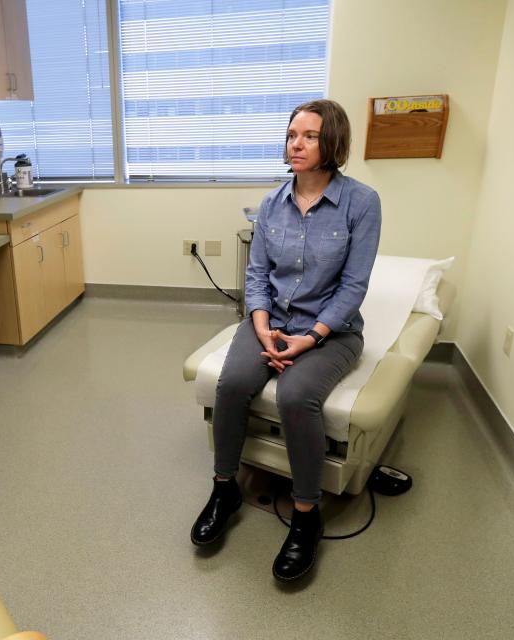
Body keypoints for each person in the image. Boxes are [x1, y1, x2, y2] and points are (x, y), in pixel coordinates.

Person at [190, 99, 381, 582]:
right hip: (270, 322)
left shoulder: (362, 202)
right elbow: (256, 275)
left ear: (332, 142)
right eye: (292, 133)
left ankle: (305, 513)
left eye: (310, 135)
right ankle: (224, 487)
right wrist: (259, 325)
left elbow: (354, 286)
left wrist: (309, 338)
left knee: (296, 396)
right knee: (231, 383)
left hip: (330, 331)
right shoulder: (272, 203)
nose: (296, 143)